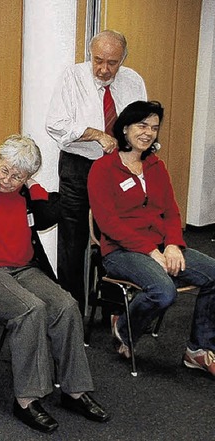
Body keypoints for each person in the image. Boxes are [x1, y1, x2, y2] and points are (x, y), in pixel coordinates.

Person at [0, 135, 110, 433]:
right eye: (4, 170)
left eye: (17, 176)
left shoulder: (27, 192)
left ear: (28, 176)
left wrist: (32, 185)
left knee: (67, 306)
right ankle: (27, 400)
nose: (8, 179)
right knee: (30, 309)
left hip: (23, 269)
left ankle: (75, 391)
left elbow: (49, 215)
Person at [88, 101, 215, 375]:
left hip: (160, 247)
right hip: (120, 252)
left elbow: (171, 212)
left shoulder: (157, 167)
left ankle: (198, 350)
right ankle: (124, 329)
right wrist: (151, 251)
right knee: (163, 292)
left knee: (213, 274)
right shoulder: (102, 169)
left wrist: (172, 244)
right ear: (125, 128)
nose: (148, 133)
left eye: (154, 128)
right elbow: (108, 224)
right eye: (142, 125)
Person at [46, 30, 147, 314]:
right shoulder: (72, 77)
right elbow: (56, 124)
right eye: (98, 60)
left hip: (117, 167)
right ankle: (71, 310)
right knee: (72, 239)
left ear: (123, 59)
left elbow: (140, 123)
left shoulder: (133, 81)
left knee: (115, 237)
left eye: (112, 63)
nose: (104, 69)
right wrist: (95, 134)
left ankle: (113, 310)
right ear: (91, 55)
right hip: (79, 165)